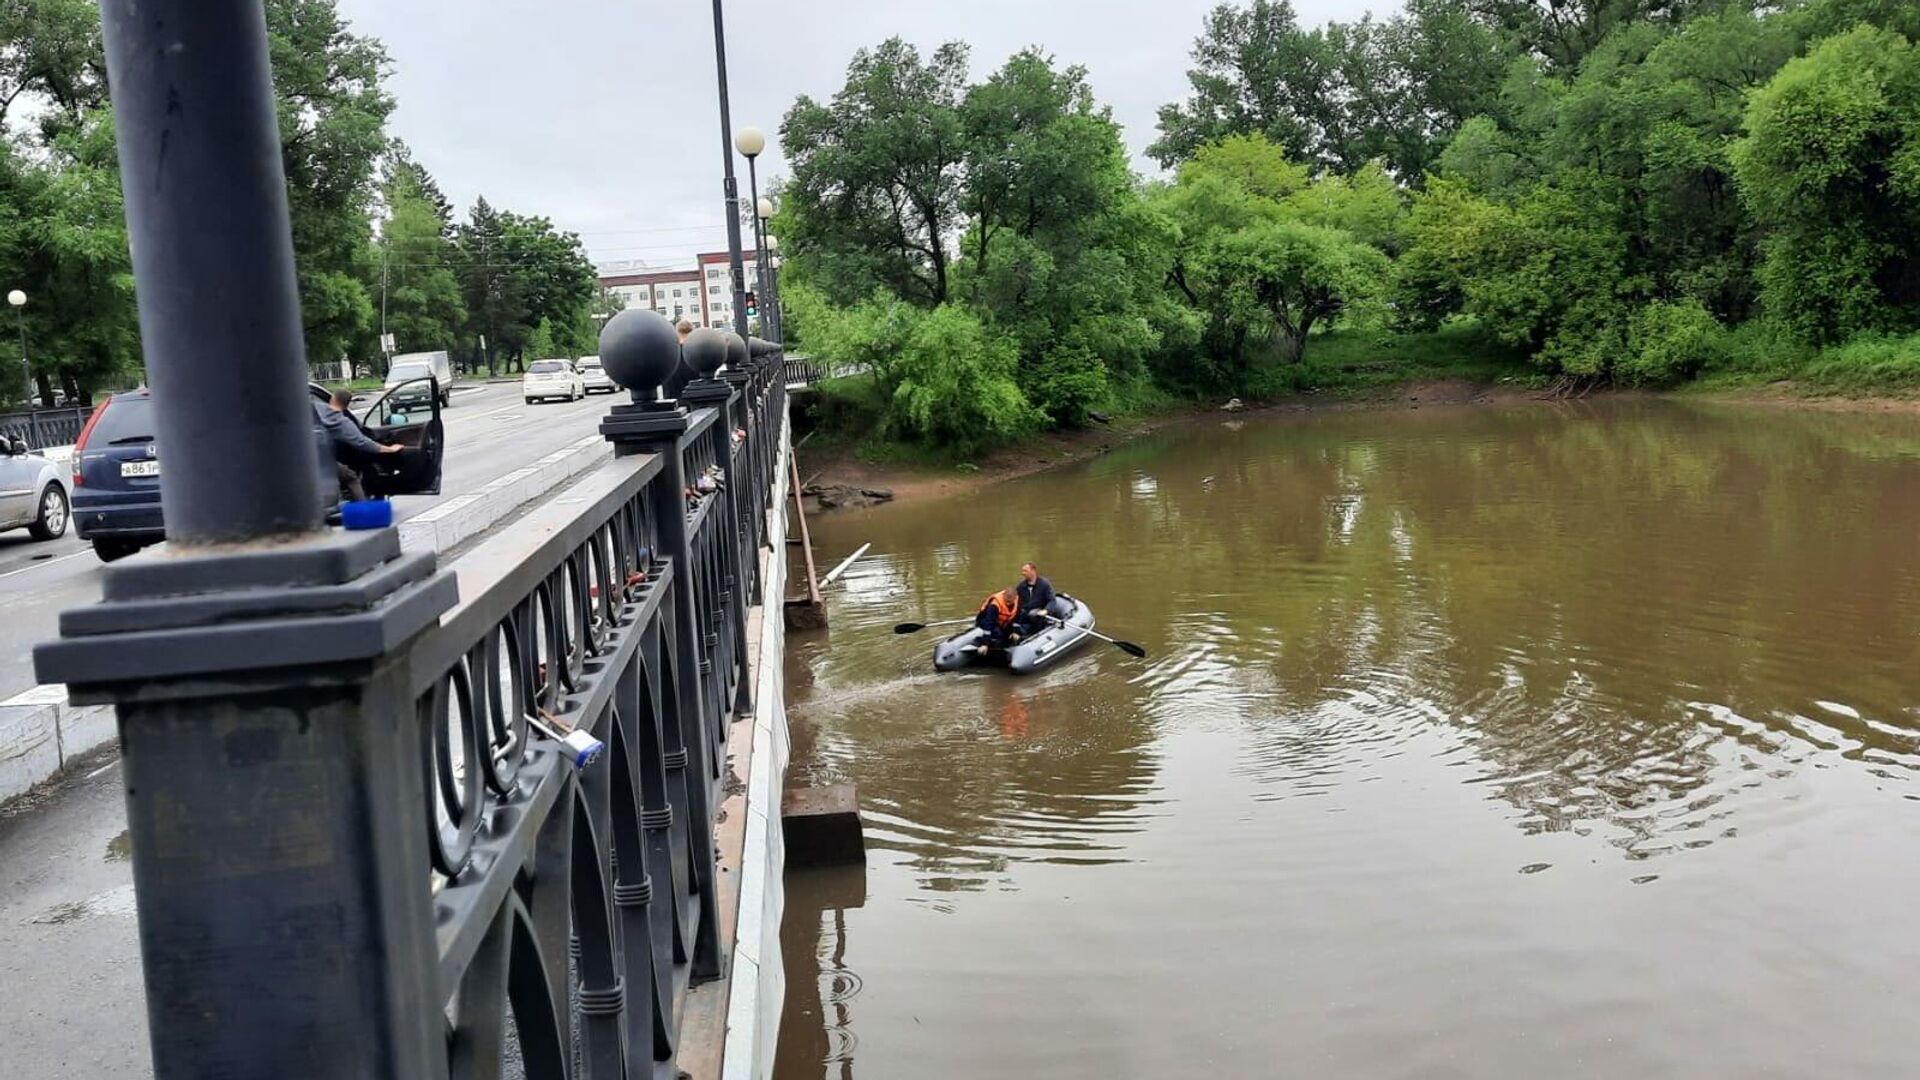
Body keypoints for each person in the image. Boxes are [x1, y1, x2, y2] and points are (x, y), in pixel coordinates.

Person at [316, 388, 402, 501]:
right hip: (323, 460)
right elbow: (362, 442)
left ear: (332, 399)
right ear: (347, 405)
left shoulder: (317, 407)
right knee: (351, 477)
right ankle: (362, 509)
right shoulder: (343, 423)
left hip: (306, 457)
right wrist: (390, 449)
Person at [973, 587, 1020, 655]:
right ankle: (979, 642)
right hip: (986, 621)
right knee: (998, 634)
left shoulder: (1017, 601)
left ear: (1015, 598)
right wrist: (985, 644)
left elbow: (1017, 617)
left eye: (1010, 602)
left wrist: (1015, 631)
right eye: (1006, 601)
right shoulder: (994, 605)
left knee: (1017, 633)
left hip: (1003, 622)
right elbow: (988, 623)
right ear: (1004, 596)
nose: (1008, 604)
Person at [1014, 562, 1056, 637]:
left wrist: (1046, 610)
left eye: (1025, 571)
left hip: (1039, 613)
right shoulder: (1021, 587)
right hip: (1025, 614)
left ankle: (1037, 633)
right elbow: (1017, 604)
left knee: (1033, 614)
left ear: (1033, 571)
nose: (1023, 573)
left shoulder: (1044, 584)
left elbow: (1051, 600)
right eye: (1022, 571)